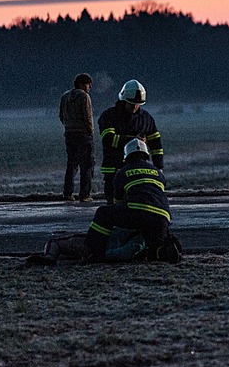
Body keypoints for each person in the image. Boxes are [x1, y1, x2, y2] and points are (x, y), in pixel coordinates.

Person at [25, 138, 180, 266]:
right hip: (163, 217)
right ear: (146, 155)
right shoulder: (158, 173)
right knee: (155, 248)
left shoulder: (123, 172)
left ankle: (93, 251)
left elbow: (118, 203)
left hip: (137, 212)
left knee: (103, 213)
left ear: (126, 157)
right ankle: (161, 251)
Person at [98, 79, 164, 205]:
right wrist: (134, 141)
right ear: (123, 100)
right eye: (131, 104)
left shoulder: (146, 118)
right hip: (114, 167)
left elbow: (156, 145)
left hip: (137, 169)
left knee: (136, 202)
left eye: (138, 104)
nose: (135, 107)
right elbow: (109, 139)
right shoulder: (109, 116)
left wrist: (159, 167)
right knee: (114, 203)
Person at [59, 73, 95, 202]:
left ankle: (67, 193)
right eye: (88, 84)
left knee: (72, 164)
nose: (89, 87)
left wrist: (69, 126)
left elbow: (61, 116)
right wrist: (91, 132)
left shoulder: (65, 96)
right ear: (81, 84)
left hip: (69, 133)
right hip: (83, 134)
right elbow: (88, 117)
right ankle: (85, 195)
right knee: (87, 164)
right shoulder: (84, 97)